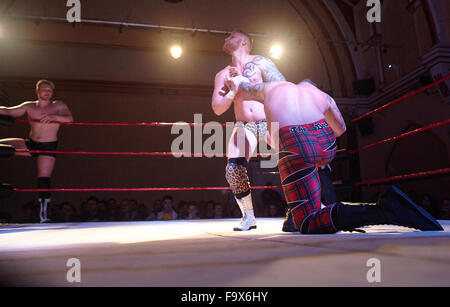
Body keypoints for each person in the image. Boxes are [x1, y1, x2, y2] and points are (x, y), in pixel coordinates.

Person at [226, 75, 443, 233]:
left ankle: (386, 210)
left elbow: (245, 88)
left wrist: (234, 84)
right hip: (325, 143)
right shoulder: (322, 96)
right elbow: (340, 129)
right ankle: (296, 210)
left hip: (295, 142)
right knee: (307, 164)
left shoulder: (272, 87)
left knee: (308, 222)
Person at [212, 29, 286, 231]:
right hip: (245, 125)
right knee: (233, 169)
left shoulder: (261, 62)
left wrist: (245, 85)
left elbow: (281, 87)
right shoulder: (222, 74)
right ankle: (248, 216)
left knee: (296, 156)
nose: (227, 38)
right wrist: (232, 92)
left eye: (232, 36)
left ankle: (311, 204)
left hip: (269, 119)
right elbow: (218, 108)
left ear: (244, 42)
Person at [0, 80, 74, 223]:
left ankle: (43, 215)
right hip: (31, 143)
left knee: (43, 179)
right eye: (44, 89)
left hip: (48, 146)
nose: (47, 91)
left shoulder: (58, 105)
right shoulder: (29, 106)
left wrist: (54, 117)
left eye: (50, 90)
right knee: (2, 145)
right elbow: (9, 111)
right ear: (38, 91)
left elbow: (70, 118)